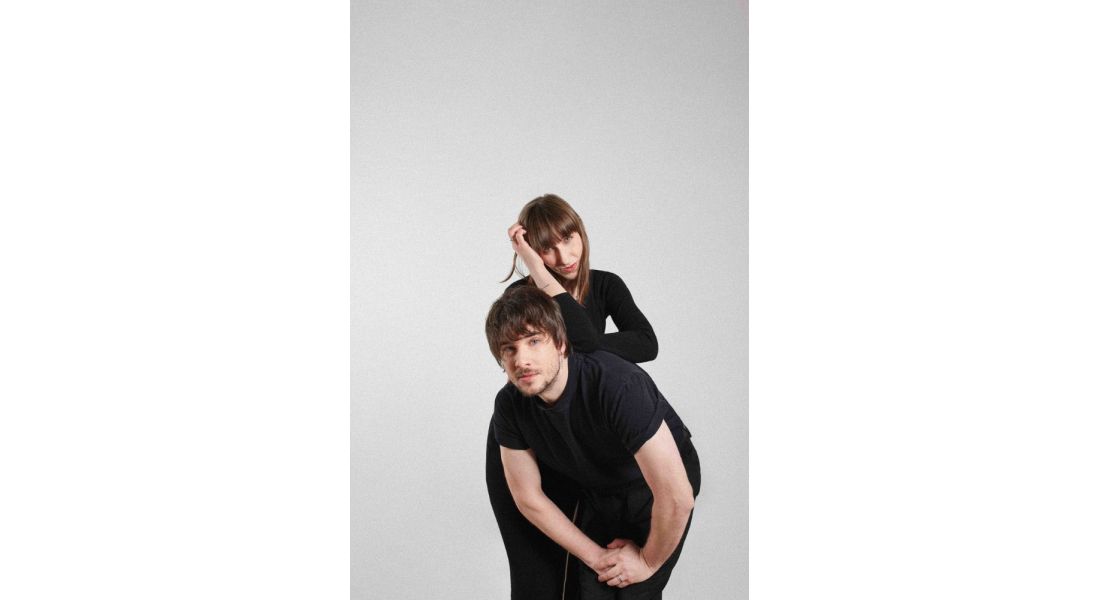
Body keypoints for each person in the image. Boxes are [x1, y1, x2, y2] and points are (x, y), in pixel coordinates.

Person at [486, 194, 660, 599]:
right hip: (528, 435)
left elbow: (646, 344)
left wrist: (586, 350)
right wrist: (534, 270)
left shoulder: (606, 284)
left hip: (579, 437)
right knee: (537, 574)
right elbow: (579, 345)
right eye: (545, 248)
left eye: (569, 238)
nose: (563, 256)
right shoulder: (523, 295)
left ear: (581, 231)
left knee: (589, 575)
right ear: (531, 251)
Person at [485, 286, 701, 600]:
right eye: (509, 349)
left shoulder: (617, 385)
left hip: (655, 485)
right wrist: (596, 557)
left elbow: (676, 497)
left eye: (534, 341)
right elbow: (528, 496)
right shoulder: (509, 405)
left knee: (632, 591)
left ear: (561, 343)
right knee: (593, 590)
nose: (522, 360)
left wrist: (647, 562)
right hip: (598, 488)